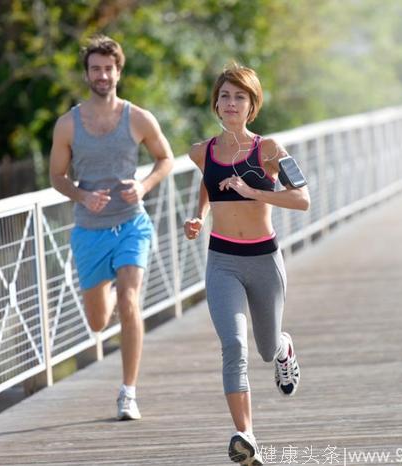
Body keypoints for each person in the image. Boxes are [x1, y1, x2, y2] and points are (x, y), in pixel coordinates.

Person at [184, 64, 310, 465]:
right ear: (216, 105)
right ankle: (246, 436)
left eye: (240, 97)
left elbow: (302, 199)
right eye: (225, 96)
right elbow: (209, 182)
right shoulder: (200, 151)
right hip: (222, 261)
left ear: (252, 106)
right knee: (233, 345)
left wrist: (253, 191)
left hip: (263, 260)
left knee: (265, 347)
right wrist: (200, 216)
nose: (231, 103)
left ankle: (284, 349)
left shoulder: (269, 150)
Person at [49, 35, 174, 421]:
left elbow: (165, 159)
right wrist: (81, 196)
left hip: (130, 224)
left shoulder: (138, 118)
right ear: (88, 74)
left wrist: (143, 186)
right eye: (95, 69)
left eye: (108, 68)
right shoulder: (68, 124)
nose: (102, 75)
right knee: (98, 322)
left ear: (119, 72)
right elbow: (56, 176)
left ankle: (128, 393)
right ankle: (114, 299)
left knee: (130, 301)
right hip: (89, 231)